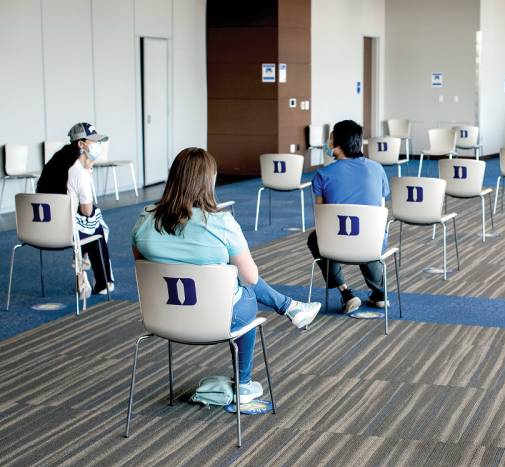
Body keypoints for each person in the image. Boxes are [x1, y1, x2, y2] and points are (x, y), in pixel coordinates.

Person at [131, 147, 321, 404]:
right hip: (216, 320)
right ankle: (244, 383)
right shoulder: (221, 223)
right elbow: (252, 277)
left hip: (164, 317)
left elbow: (144, 271)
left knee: (238, 283)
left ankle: (292, 308)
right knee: (247, 289)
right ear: (209, 181)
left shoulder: (144, 221)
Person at [307, 120, 390, 314]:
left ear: (338, 142)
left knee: (317, 238)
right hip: (372, 243)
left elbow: (321, 218)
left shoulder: (322, 174)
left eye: (330, 137)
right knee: (370, 233)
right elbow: (381, 207)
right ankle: (379, 294)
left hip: (337, 243)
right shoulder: (377, 169)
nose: (327, 140)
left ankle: (346, 293)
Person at [36, 122, 114, 297]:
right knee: (96, 222)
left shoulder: (57, 160)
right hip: (64, 231)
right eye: (93, 141)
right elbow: (86, 211)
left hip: (39, 228)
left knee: (90, 220)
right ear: (81, 144)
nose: (97, 146)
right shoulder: (78, 170)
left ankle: (84, 262)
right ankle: (103, 282)